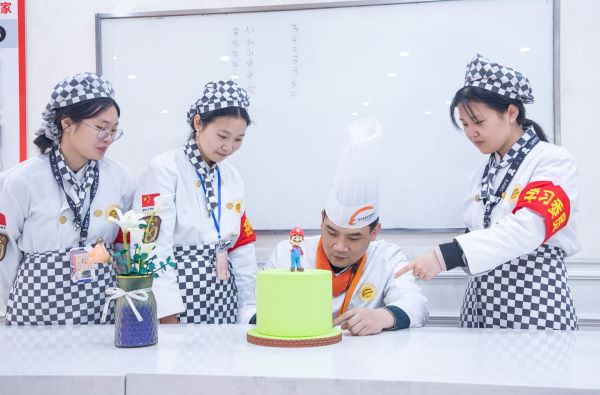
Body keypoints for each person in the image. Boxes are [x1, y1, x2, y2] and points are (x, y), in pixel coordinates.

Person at [396, 54, 579, 330]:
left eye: (478, 122)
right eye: (465, 125)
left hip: (534, 303)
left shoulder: (553, 161)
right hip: (480, 304)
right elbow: (477, 232)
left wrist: (444, 256)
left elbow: (529, 227)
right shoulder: (480, 174)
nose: (471, 133)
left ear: (512, 113)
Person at [265, 119, 428, 336]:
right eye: (331, 232)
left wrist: (382, 316)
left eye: (354, 237)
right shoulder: (288, 253)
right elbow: (251, 308)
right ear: (322, 220)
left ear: (374, 232)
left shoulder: (387, 258)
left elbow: (417, 305)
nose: (339, 246)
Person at [0, 72, 135, 325]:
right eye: (101, 128)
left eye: (114, 130)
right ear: (67, 123)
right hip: (36, 310)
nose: (108, 137)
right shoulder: (21, 180)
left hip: (101, 306)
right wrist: (10, 306)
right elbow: (5, 258)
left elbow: (123, 249)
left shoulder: (121, 179)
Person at [135, 80, 257, 324]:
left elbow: (241, 249)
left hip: (224, 297)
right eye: (222, 136)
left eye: (238, 139)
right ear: (198, 123)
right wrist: (166, 313)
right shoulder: (165, 169)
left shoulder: (232, 176)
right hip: (179, 299)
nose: (228, 147)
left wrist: (250, 307)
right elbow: (152, 246)